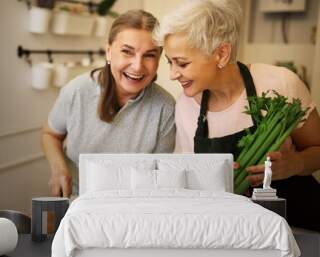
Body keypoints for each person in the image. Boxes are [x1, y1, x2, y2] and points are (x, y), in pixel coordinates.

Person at [154, 0, 320, 231]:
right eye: (169, 62)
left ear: (222, 53)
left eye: (182, 63)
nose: (172, 74)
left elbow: (318, 149)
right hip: (233, 232)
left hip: (299, 227)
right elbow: (188, 182)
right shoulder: (186, 107)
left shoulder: (279, 83)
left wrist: (296, 163)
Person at [42, 10, 176, 198]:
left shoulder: (166, 107)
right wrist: (59, 170)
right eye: (127, 52)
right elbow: (50, 134)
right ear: (108, 51)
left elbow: (158, 176)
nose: (137, 66)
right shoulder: (77, 91)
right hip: (79, 202)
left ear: (158, 59)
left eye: (149, 55)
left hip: (136, 203)